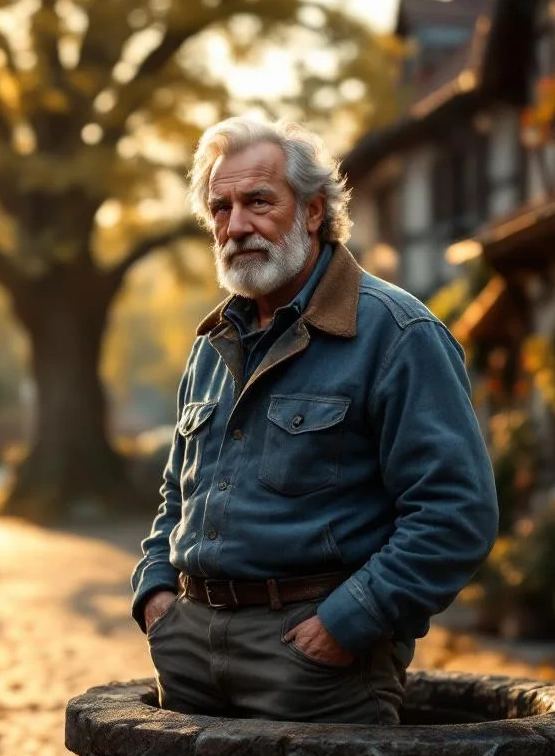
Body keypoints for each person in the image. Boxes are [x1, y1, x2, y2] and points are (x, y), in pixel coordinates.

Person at [130, 116, 498, 725]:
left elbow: (457, 513)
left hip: (315, 662)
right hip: (189, 652)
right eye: (220, 208)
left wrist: (345, 624)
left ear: (312, 212)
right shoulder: (212, 343)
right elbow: (177, 494)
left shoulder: (398, 335)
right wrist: (156, 596)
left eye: (259, 201)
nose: (237, 225)